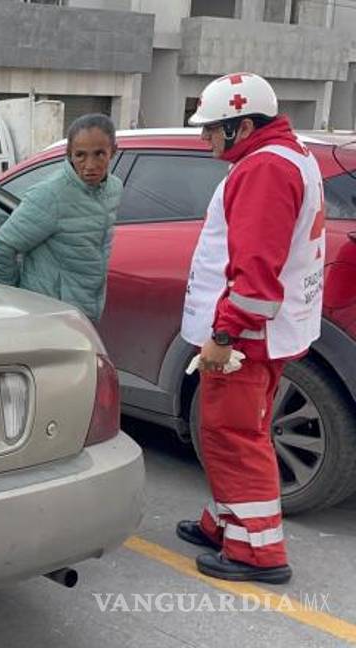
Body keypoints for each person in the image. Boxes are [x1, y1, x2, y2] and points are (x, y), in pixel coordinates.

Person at [175, 72, 324, 585]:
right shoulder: (287, 157)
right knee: (237, 430)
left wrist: (224, 336)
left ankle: (257, 552)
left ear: (241, 126)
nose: (205, 139)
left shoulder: (263, 170)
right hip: (267, 331)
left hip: (245, 338)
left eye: (212, 129)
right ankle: (227, 525)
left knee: (233, 434)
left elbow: (256, 271)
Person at [0, 114, 122, 322]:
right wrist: (16, 301)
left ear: (113, 151)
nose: (90, 164)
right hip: (47, 315)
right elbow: (0, 249)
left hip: (86, 311)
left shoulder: (114, 188)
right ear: (69, 154)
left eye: (99, 154)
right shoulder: (51, 194)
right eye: (81, 155)